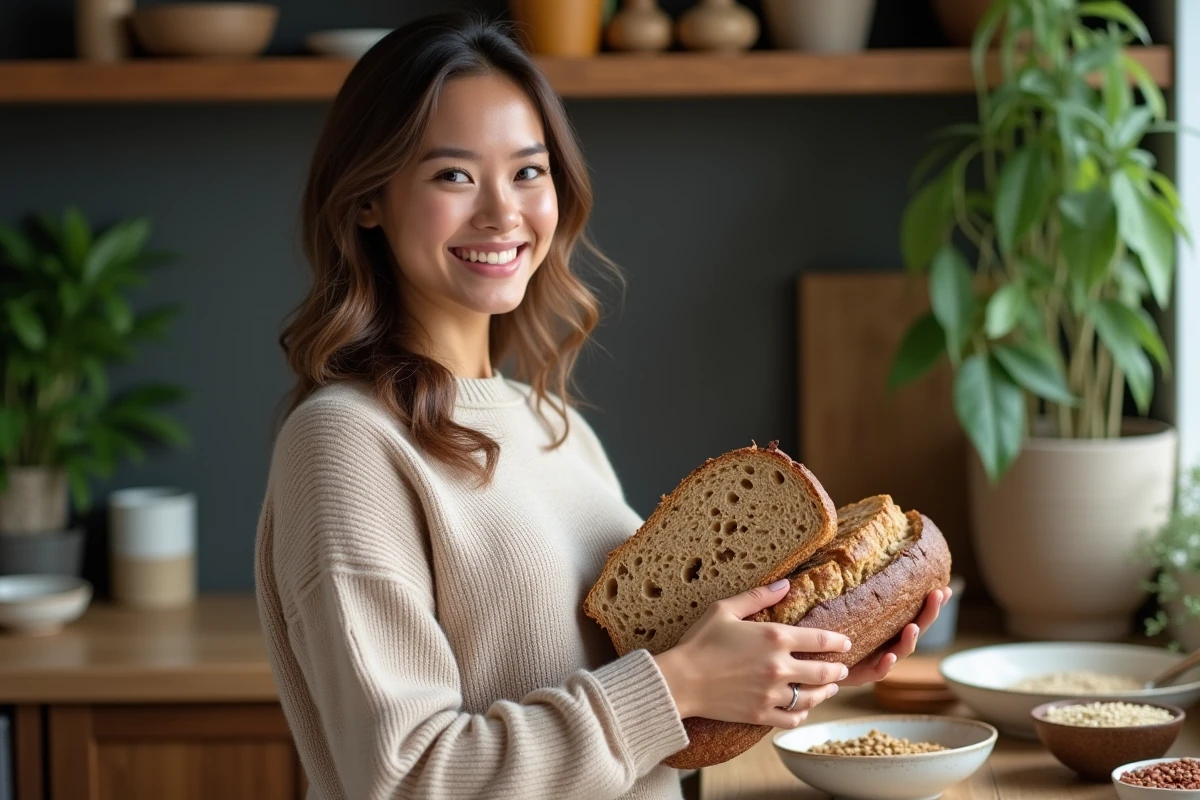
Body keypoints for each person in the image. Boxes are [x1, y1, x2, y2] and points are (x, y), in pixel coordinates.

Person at [253, 11, 950, 800]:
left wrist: (787, 670)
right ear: (368, 197)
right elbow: (409, 776)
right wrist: (680, 683)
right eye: (453, 175)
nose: (502, 213)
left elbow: (631, 728)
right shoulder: (345, 442)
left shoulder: (554, 428)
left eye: (528, 171)